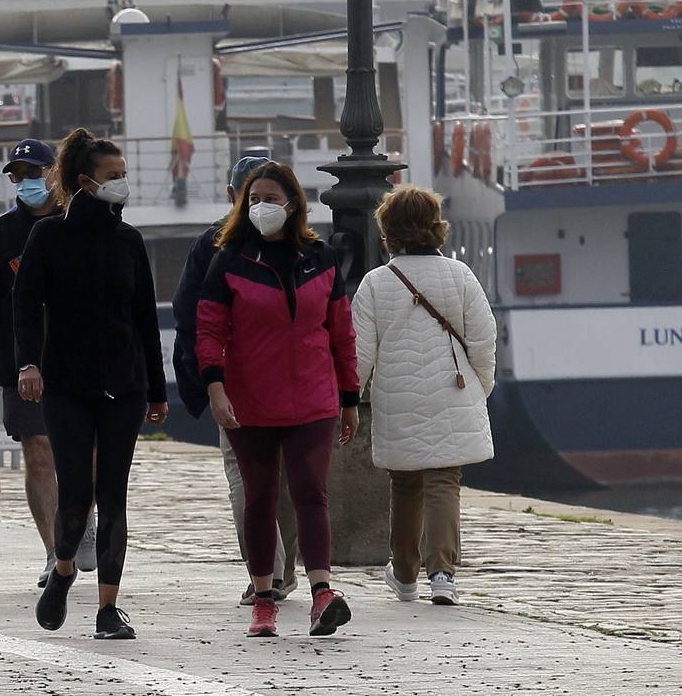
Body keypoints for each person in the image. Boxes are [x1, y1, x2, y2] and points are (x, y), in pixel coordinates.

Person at [196, 162, 360, 639]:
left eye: (272, 198)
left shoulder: (321, 257)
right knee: (260, 497)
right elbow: (209, 330)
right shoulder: (227, 260)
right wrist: (215, 386)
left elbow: (341, 333)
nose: (262, 207)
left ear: (293, 205)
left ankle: (323, 592)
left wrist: (350, 396)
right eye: (254, 199)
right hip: (252, 401)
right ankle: (263, 599)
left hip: (313, 397)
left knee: (312, 494)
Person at [16, 128, 168, 640]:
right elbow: (24, 307)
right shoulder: (49, 236)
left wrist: (157, 389)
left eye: (124, 176)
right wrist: (27, 365)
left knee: (114, 495)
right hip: (67, 385)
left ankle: (108, 608)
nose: (122, 184)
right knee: (77, 493)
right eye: (113, 177)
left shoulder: (129, 240)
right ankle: (62, 571)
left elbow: (145, 317)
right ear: (84, 182)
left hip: (123, 383)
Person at [353, 185, 497, 609]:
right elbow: (484, 341)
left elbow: (360, 352)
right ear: (437, 228)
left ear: (387, 231)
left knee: (404, 482)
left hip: (396, 396)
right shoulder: (461, 275)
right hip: (452, 391)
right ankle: (443, 575)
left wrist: (349, 401)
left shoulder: (375, 284)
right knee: (443, 482)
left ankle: (404, 573)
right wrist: (479, 389)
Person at [171, 154, 300, 607]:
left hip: (242, 380)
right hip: (280, 379)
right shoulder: (303, 244)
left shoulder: (214, 244)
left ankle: (268, 572)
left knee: (248, 475)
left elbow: (191, 316)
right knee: (282, 477)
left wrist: (205, 378)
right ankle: (278, 571)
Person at [0, 138, 100, 587]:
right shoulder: (4, 233)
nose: (26, 181)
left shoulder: (82, 221)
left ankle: (83, 517)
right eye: (17, 175)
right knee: (38, 451)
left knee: (89, 455)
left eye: (33, 171)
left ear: (54, 173)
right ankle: (52, 551)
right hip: (22, 362)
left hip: (82, 358)